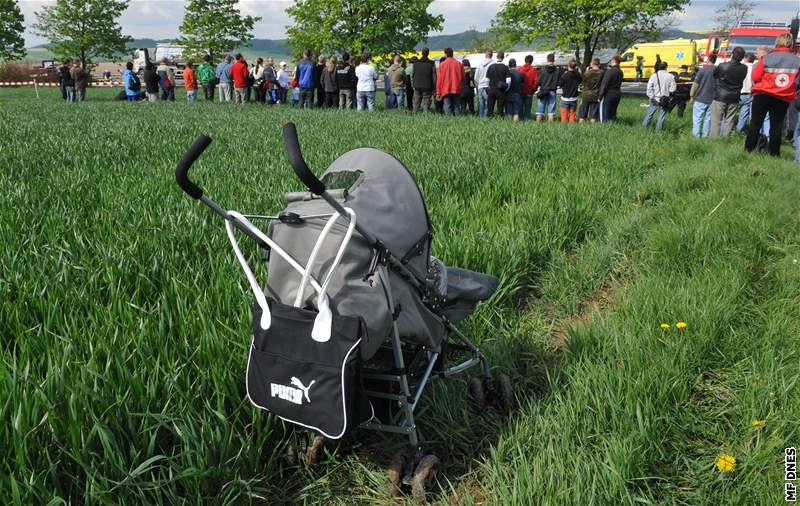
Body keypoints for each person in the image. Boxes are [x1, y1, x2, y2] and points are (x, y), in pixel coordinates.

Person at [745, 33, 800, 157]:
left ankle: (748, 151)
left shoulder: (768, 58)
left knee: (755, 124)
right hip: (782, 98)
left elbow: (755, 76)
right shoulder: (797, 61)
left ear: (777, 42)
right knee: (776, 127)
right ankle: (774, 154)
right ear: (791, 44)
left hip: (763, 94)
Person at [709, 46, 747, 137]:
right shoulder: (744, 68)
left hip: (720, 96)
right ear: (742, 57)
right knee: (729, 120)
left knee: (716, 120)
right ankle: (726, 138)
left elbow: (714, 74)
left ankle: (714, 139)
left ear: (732, 54)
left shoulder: (722, 66)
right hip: (735, 96)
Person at [643, 61, 676, 132]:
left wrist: (651, 97)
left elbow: (649, 88)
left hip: (654, 98)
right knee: (661, 116)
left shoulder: (653, 76)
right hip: (665, 99)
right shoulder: (670, 76)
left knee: (649, 115)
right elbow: (673, 89)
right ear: (666, 67)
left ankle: (643, 129)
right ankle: (658, 132)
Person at [690, 53, 717, 138]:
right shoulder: (718, 70)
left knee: (697, 119)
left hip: (700, 98)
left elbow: (695, 84)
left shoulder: (702, 70)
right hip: (712, 99)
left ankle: (696, 136)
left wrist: (691, 96)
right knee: (708, 119)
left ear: (708, 60)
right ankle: (705, 136)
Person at [435, 48, 464, 116]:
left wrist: (438, 92)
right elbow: (463, 77)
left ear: (445, 54)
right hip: (456, 88)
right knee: (457, 107)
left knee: (447, 107)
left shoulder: (442, 65)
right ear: (452, 54)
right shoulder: (459, 64)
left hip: (445, 89)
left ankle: (449, 122)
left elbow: (439, 80)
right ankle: (458, 122)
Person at [598, 55, 623, 123]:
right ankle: (612, 125)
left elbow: (604, 84)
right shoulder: (621, 71)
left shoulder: (610, 71)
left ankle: (604, 128)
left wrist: (600, 96)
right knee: (612, 113)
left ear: (613, 61)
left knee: (604, 114)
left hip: (609, 94)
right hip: (617, 93)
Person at [536, 53, 560, 122]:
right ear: (554, 60)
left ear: (547, 59)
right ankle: (551, 128)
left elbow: (538, 81)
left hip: (543, 91)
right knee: (551, 112)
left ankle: (537, 125)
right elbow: (558, 82)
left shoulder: (542, 70)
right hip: (552, 91)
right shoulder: (557, 70)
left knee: (540, 111)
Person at [485, 51, 510, 118]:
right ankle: (500, 119)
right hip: (501, 90)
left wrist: (487, 88)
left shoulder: (491, 66)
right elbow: (508, 81)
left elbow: (487, 80)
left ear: (496, 57)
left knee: (490, 107)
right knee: (500, 108)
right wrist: (506, 89)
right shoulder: (505, 67)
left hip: (491, 89)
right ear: (503, 57)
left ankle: (489, 119)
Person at [579, 58, 603, 123]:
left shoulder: (587, 73)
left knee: (582, 114)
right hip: (595, 95)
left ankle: (581, 127)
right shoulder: (602, 73)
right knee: (593, 115)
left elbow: (583, 83)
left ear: (592, 64)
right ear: (599, 64)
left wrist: (586, 71)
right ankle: (593, 128)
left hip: (586, 94)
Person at [736, 53, 756, 132]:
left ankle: (725, 131)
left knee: (730, 113)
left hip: (739, 93)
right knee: (743, 115)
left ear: (745, 58)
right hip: (749, 94)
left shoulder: (741, 67)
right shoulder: (755, 68)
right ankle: (739, 130)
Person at [412, 48, 436, 112]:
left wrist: (413, 84)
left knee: (416, 101)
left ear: (422, 53)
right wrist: (434, 86)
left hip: (417, 84)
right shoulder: (431, 63)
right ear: (428, 53)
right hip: (427, 85)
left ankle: (415, 113)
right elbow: (434, 76)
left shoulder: (416, 63)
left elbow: (413, 74)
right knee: (426, 101)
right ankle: (426, 114)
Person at [558, 59, 581, 124]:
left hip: (565, 98)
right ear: (575, 66)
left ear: (568, 66)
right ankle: (572, 127)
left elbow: (560, 84)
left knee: (564, 115)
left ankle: (564, 127)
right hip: (574, 97)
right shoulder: (578, 75)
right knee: (572, 114)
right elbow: (580, 81)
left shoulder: (564, 75)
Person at [518, 55, 538, 120]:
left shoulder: (520, 69)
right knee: (528, 109)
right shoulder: (534, 70)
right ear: (532, 61)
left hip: (520, 91)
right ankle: (527, 121)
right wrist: (533, 90)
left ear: (525, 60)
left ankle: (520, 121)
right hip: (529, 92)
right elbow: (536, 82)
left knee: (520, 107)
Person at [474, 49, 494, 117]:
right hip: (488, 86)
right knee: (487, 104)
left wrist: (477, 85)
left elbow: (476, 77)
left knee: (480, 104)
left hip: (480, 86)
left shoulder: (479, 64)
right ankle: (485, 119)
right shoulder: (493, 64)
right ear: (492, 55)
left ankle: (480, 118)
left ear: (485, 55)